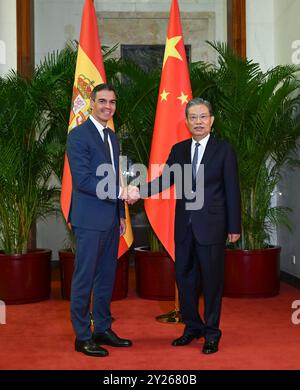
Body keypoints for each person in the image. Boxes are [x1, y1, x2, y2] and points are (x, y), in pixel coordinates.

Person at [141, 97, 241, 354]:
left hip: (212, 227)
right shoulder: (179, 149)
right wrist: (138, 190)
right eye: (193, 118)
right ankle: (192, 327)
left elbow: (232, 190)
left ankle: (212, 332)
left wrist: (234, 226)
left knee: (211, 282)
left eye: (203, 117)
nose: (198, 122)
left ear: (211, 120)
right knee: (184, 280)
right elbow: (164, 181)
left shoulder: (224, 150)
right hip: (184, 226)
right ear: (186, 122)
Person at [67, 83, 137, 357]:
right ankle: (82, 335)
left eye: (112, 102)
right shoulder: (78, 136)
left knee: (106, 277)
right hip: (88, 218)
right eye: (103, 101)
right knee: (84, 278)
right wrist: (121, 193)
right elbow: (83, 180)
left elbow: (115, 174)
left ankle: (102, 328)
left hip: (110, 218)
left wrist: (120, 213)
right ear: (92, 103)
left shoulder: (112, 136)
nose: (108, 106)